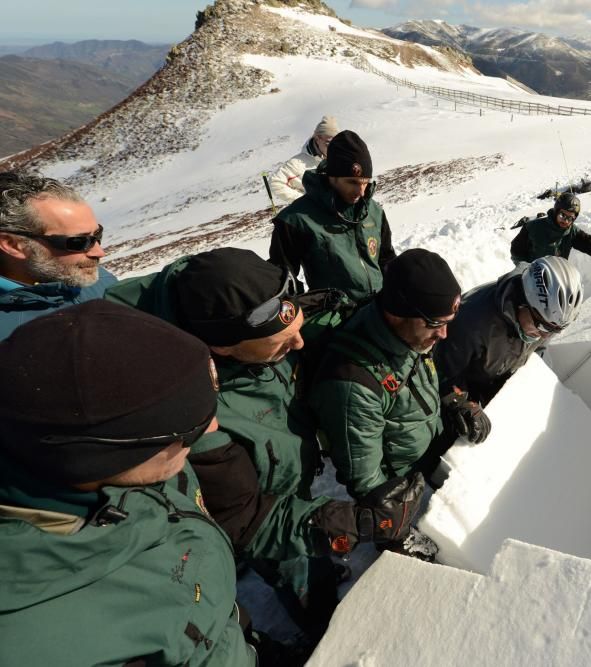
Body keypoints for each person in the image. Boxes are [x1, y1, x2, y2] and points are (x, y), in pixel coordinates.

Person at [104, 248, 421, 638]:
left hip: (285, 470)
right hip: (266, 513)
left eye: (296, 331)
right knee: (295, 571)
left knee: (311, 555)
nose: (299, 346)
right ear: (222, 348)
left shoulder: (236, 303)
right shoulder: (186, 412)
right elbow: (244, 516)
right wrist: (347, 521)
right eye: (282, 344)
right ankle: (318, 619)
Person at [0, 300, 263, 666]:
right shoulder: (31, 643)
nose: (209, 433)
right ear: (99, 456)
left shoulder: (147, 474)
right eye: (190, 429)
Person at [309, 249, 484, 502]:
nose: (444, 334)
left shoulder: (411, 335)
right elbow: (367, 481)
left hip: (430, 456)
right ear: (398, 312)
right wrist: (396, 518)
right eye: (436, 324)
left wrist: (452, 399)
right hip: (406, 486)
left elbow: (424, 380)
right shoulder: (353, 385)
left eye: (449, 322)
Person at [435, 256, 584, 407]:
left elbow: (538, 349)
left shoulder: (542, 320)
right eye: (543, 327)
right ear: (523, 302)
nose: (544, 336)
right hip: (466, 388)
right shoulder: (470, 322)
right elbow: (443, 376)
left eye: (553, 330)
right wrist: (465, 406)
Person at [269, 130, 396, 303]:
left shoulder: (374, 211)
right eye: (352, 182)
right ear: (332, 177)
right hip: (334, 320)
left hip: (380, 310)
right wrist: (304, 309)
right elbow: (283, 279)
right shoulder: (295, 220)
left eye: (366, 182)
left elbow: (387, 260)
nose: (361, 191)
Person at [0, 171, 116, 339]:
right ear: (13, 245)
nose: (99, 252)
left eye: (97, 236)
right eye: (78, 242)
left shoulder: (93, 278)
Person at [510, 192, 591, 266]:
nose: (565, 221)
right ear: (555, 212)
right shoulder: (533, 227)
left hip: (556, 278)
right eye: (562, 215)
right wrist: (525, 269)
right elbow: (516, 250)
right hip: (531, 278)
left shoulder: (571, 232)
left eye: (570, 218)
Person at [271, 115, 339, 204]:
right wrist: (304, 200)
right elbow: (275, 182)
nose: (333, 147)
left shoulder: (340, 156)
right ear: (317, 138)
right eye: (328, 143)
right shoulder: (297, 163)